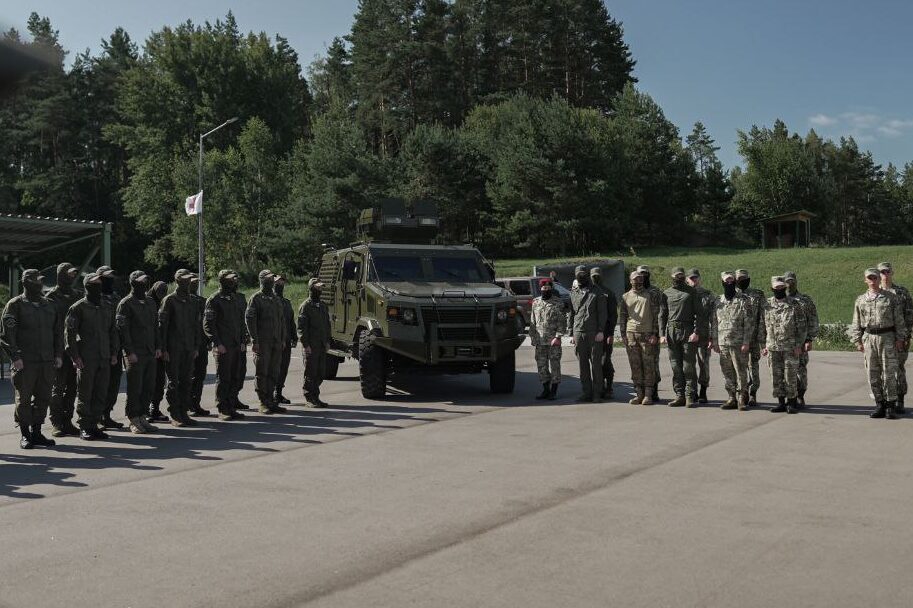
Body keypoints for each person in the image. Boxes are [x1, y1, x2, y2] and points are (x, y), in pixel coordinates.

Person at [1, 269, 63, 449]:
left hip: (47, 361)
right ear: (27, 282)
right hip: (25, 362)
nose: (40, 284)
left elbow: (58, 333)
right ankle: (25, 434)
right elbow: (7, 334)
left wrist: (58, 354)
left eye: (41, 281)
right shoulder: (16, 305)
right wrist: (15, 357)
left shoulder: (49, 305)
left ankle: (37, 432)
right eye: (36, 281)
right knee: (24, 399)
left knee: (44, 397)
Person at [66, 273, 119, 440]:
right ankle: (84, 426)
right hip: (87, 358)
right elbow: (70, 335)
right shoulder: (78, 308)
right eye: (95, 283)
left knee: (101, 393)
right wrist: (75, 357)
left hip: (104, 356)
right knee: (85, 393)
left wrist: (114, 352)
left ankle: (95, 424)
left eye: (100, 283)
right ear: (87, 286)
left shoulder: (106, 306)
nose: (99, 285)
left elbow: (112, 331)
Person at [850, 268, 908, 419]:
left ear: (878, 279)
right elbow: (856, 322)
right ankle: (879, 404)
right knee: (872, 372)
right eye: (869, 278)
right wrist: (857, 340)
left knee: (889, 372)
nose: (873, 280)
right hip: (869, 338)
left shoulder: (891, 298)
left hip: (887, 337)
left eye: (875, 277)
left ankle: (890, 406)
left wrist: (900, 339)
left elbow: (899, 320)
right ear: (865, 280)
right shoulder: (861, 300)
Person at [115, 271, 161, 434]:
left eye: (146, 280)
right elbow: (123, 330)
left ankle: (142, 416)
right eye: (141, 281)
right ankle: (133, 419)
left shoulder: (150, 302)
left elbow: (155, 326)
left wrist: (157, 346)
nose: (145, 283)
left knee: (149, 386)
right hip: (135, 352)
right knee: (135, 387)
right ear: (133, 283)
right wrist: (129, 351)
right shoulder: (126, 303)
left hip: (150, 351)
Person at [758, 276, 807, 414]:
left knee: (790, 376)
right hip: (773, 347)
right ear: (772, 288)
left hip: (790, 347)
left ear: (785, 288)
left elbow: (802, 327)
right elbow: (762, 326)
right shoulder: (766, 305)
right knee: (776, 376)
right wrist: (763, 345)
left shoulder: (794, 304)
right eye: (777, 287)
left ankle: (791, 403)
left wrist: (798, 345)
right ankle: (781, 402)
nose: (779, 289)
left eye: (782, 287)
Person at [203, 269, 248, 420]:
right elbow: (209, 324)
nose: (233, 281)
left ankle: (231, 406)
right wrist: (217, 343)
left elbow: (241, 322)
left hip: (236, 345)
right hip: (223, 346)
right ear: (222, 280)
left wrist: (243, 340)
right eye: (230, 279)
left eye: (234, 279)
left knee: (235, 376)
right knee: (223, 378)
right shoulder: (214, 299)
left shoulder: (235, 298)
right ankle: (222, 408)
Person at [160, 269, 201, 427]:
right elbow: (162, 326)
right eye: (185, 280)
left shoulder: (193, 301)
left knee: (186, 381)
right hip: (173, 348)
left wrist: (196, 345)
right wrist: (164, 348)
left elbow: (196, 325)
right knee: (173, 382)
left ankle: (184, 411)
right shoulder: (169, 300)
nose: (188, 282)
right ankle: (175, 413)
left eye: (189, 280)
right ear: (178, 281)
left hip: (189, 346)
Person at [246, 269, 288, 414]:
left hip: (276, 342)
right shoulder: (256, 298)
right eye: (269, 279)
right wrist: (254, 340)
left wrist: (283, 339)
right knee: (262, 372)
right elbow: (250, 320)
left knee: (274, 372)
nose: (271, 281)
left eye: (272, 279)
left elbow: (282, 321)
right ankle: (263, 401)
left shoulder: (276, 299)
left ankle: (271, 400)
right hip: (263, 342)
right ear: (262, 280)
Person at [47, 262, 81, 437]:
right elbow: (47, 325)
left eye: (73, 274)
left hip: (74, 347)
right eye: (68, 274)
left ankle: (68, 421)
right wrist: (54, 352)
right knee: (58, 387)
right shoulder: (51, 297)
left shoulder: (77, 295)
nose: (72, 277)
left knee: (73, 388)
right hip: (58, 348)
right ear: (60, 275)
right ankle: (56, 422)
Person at [711, 272, 754, 410]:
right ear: (722, 282)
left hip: (738, 343)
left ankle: (742, 397)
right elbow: (714, 323)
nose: (729, 283)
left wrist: (746, 342)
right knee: (727, 372)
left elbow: (749, 323)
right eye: (726, 280)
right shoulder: (718, 301)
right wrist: (715, 341)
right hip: (723, 343)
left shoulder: (743, 300)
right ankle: (731, 397)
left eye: (731, 280)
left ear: (735, 282)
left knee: (741, 371)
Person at [659, 267, 701, 407]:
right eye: (677, 275)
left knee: (688, 366)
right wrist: (661, 334)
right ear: (672, 276)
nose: (679, 277)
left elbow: (700, 314)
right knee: (675, 365)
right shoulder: (666, 293)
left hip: (687, 330)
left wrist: (696, 331)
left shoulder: (691, 292)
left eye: (682, 275)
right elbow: (662, 315)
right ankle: (679, 395)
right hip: (671, 331)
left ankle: (690, 396)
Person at [877, 262, 913, 413]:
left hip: (899, 337)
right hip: (882, 338)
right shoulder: (875, 293)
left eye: (887, 272)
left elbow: (909, 316)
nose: (884, 275)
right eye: (882, 272)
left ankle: (899, 399)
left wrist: (905, 337)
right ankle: (885, 399)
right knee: (881, 369)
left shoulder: (902, 292)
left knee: (898, 368)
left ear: (892, 273)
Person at [568, 265, 608, 403]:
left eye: (584, 274)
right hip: (579, 332)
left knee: (596, 365)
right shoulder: (573, 292)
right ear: (576, 276)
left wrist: (601, 331)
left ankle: (597, 393)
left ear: (587, 276)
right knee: (582, 365)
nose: (582, 277)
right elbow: (572, 314)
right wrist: (571, 333)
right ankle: (586, 392)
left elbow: (603, 313)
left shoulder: (597, 292)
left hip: (594, 333)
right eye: (579, 274)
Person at [620, 270, 659, 405]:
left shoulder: (650, 295)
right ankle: (639, 393)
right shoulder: (625, 297)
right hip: (631, 334)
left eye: (640, 278)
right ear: (630, 281)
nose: (638, 281)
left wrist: (655, 333)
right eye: (635, 279)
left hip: (647, 334)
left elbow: (656, 315)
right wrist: (623, 335)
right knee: (635, 365)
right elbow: (623, 316)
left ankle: (648, 394)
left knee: (648, 365)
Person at [784, 270, 818, 408]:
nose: (789, 284)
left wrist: (810, 339)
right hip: (783, 343)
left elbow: (813, 320)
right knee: (785, 370)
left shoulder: (805, 300)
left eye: (792, 281)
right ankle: (789, 396)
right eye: (787, 281)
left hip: (801, 342)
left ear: (796, 282)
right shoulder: (778, 299)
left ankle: (800, 395)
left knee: (801, 370)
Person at [529, 277, 566, 400]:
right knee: (541, 365)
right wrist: (532, 336)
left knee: (554, 364)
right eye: (544, 288)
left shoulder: (558, 302)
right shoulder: (536, 302)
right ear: (540, 289)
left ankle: (554, 391)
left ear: (551, 289)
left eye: (548, 288)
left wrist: (558, 337)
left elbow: (562, 322)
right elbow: (533, 321)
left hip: (552, 341)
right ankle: (545, 389)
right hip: (540, 340)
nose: (546, 290)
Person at [97, 265, 125, 430]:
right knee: (99, 384)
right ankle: (95, 416)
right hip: (99, 348)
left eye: (110, 278)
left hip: (116, 347)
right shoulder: (94, 298)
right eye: (106, 277)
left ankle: (106, 414)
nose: (109, 280)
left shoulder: (116, 298)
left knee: (113, 383)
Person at [298, 277, 332, 407]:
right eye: (317, 287)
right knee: (310, 373)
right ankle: (309, 398)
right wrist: (306, 345)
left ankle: (315, 396)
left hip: (322, 345)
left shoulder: (323, 306)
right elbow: (301, 328)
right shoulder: (305, 306)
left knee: (320, 372)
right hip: (311, 346)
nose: (320, 289)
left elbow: (327, 325)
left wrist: (327, 341)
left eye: (321, 287)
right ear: (311, 288)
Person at [735, 269, 765, 407]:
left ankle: (753, 393)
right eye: (739, 278)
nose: (742, 280)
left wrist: (763, 340)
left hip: (753, 338)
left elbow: (763, 317)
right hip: (737, 338)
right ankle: (742, 393)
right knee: (739, 367)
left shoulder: (758, 295)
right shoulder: (732, 295)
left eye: (744, 278)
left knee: (753, 366)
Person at [687, 268, 715, 403]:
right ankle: (691, 392)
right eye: (691, 278)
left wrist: (712, 337)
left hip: (703, 336)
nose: (694, 280)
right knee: (688, 365)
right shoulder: (684, 295)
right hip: (687, 336)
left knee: (704, 364)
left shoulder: (707, 295)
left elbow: (713, 318)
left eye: (695, 277)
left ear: (699, 278)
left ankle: (703, 391)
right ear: (687, 279)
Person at [636, 265, 664, 399]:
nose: (643, 277)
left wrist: (657, 334)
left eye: (645, 274)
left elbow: (661, 313)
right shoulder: (634, 291)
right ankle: (641, 391)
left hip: (652, 333)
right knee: (639, 362)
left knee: (653, 362)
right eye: (641, 274)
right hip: (638, 333)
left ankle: (654, 390)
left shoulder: (655, 291)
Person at [590, 267, 618, 399]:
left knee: (605, 360)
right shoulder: (588, 292)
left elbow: (613, 315)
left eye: (598, 275)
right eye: (593, 276)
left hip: (606, 332)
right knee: (595, 361)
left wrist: (611, 334)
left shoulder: (608, 293)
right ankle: (597, 387)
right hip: (591, 333)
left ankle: (609, 386)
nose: (596, 278)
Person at [188, 275, 211, 417]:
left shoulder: (202, 302)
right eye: (192, 283)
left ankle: (195, 403)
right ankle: (185, 405)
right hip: (186, 345)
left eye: (197, 282)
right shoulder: (177, 301)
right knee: (186, 377)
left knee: (200, 375)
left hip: (201, 344)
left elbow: (207, 322)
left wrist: (209, 340)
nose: (195, 285)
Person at [148, 280, 170, 423]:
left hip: (160, 348)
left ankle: (154, 408)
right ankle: (145, 411)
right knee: (148, 381)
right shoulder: (147, 303)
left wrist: (163, 348)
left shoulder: (165, 303)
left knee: (160, 380)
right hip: (149, 348)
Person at [275, 275, 297, 405]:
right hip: (274, 340)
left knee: (283, 368)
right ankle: (270, 394)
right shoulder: (270, 301)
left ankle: (278, 393)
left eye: (282, 282)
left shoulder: (286, 302)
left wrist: (294, 336)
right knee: (273, 369)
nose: (281, 285)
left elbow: (291, 321)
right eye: (278, 282)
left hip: (286, 340)